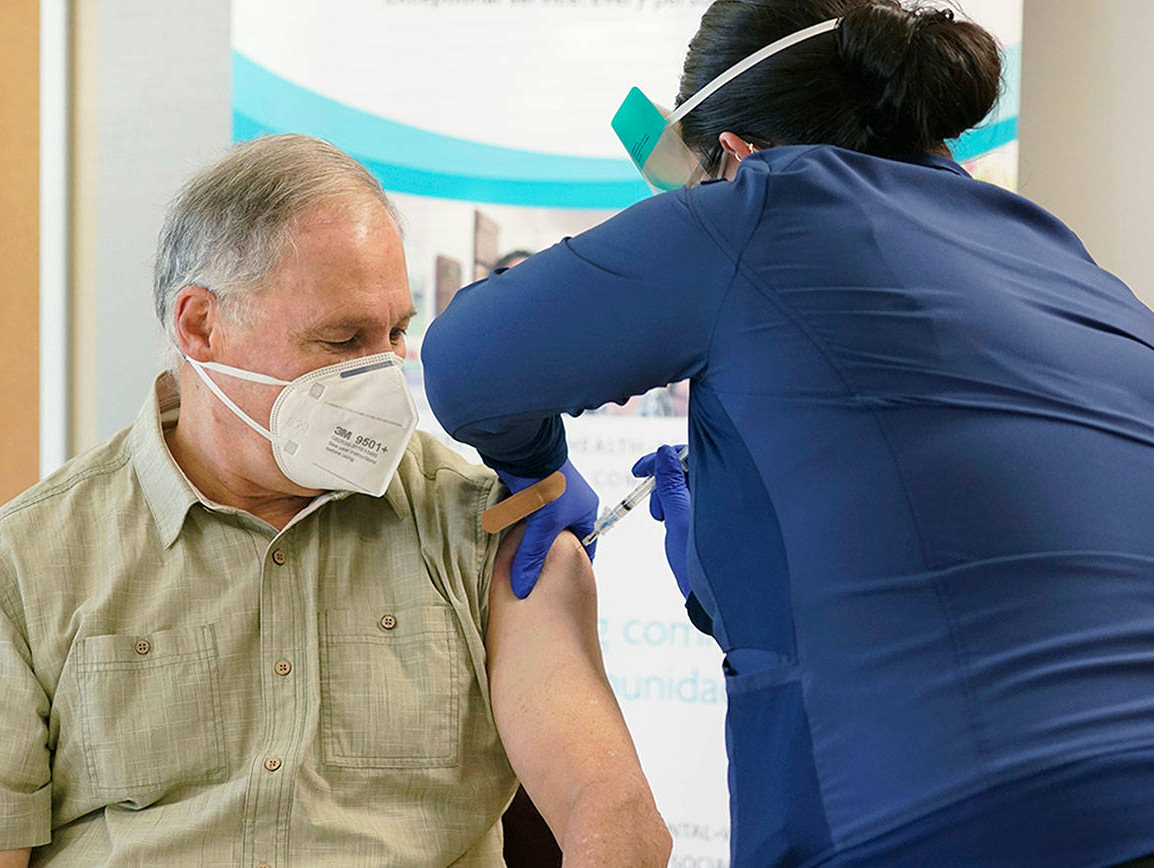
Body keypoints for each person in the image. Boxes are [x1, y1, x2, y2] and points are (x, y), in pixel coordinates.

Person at [421, 1, 1154, 866]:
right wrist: (726, 572)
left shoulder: (761, 210)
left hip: (940, 817)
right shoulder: (1056, 253)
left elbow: (466, 362)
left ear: (728, 153)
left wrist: (535, 462)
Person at [0, 135, 671, 867]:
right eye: (340, 341)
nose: (379, 377)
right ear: (200, 325)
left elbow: (614, 810)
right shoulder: (25, 564)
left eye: (393, 333)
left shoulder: (482, 529)